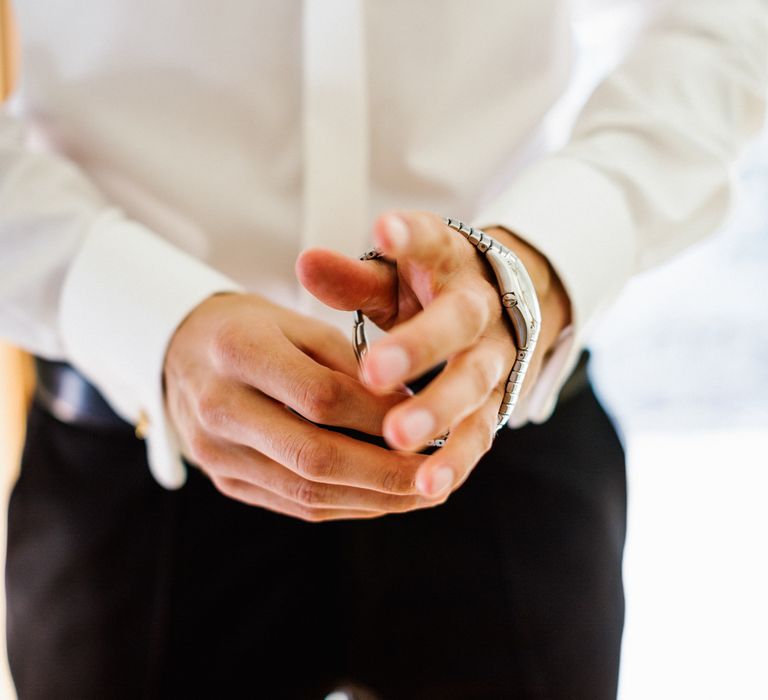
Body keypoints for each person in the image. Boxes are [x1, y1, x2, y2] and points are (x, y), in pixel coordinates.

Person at [1, 1, 765, 698]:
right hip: (132, 460)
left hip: (500, 431)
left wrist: (545, 256)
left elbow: (721, 23)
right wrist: (141, 313)